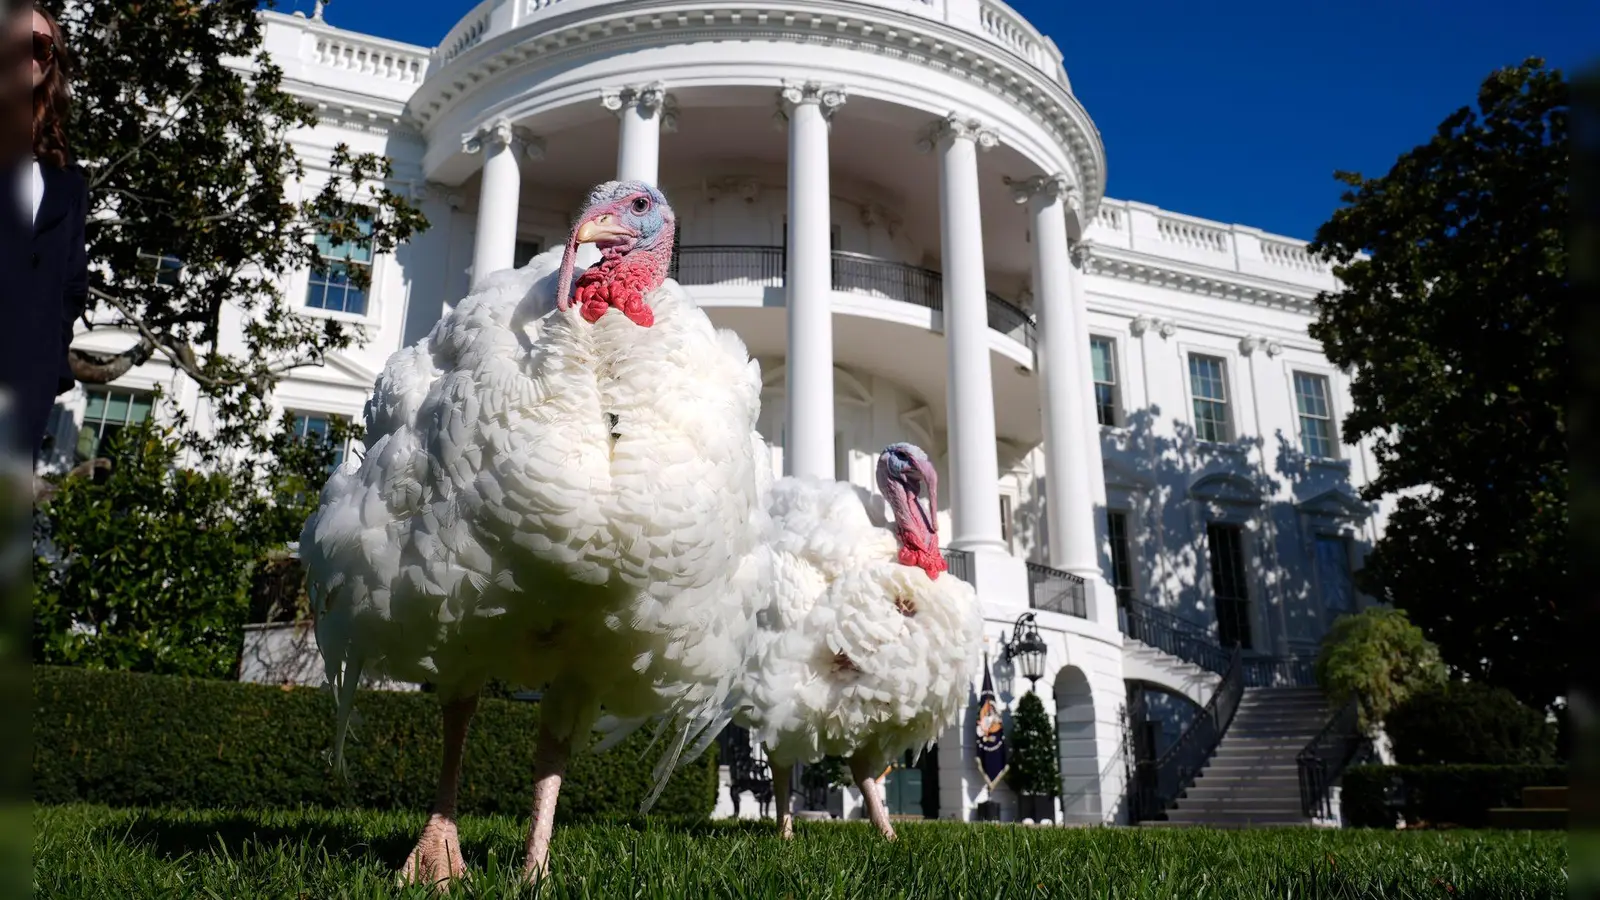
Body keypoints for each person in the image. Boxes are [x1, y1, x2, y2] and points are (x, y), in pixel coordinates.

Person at [0, 3, 85, 464]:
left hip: (22, 393)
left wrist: (49, 364)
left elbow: (72, 285)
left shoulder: (65, 180)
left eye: (38, 46)